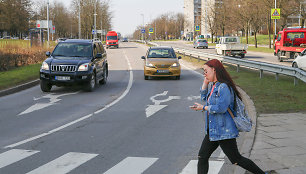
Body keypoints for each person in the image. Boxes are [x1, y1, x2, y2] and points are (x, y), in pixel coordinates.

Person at [190, 59, 272, 174]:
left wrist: (203, 108)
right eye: (203, 72)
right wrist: (205, 83)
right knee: (202, 156)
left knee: (236, 159)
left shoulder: (224, 87)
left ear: (214, 70)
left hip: (224, 131)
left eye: (206, 71)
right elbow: (205, 99)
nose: (205, 74)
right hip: (213, 131)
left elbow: (221, 108)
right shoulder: (214, 85)